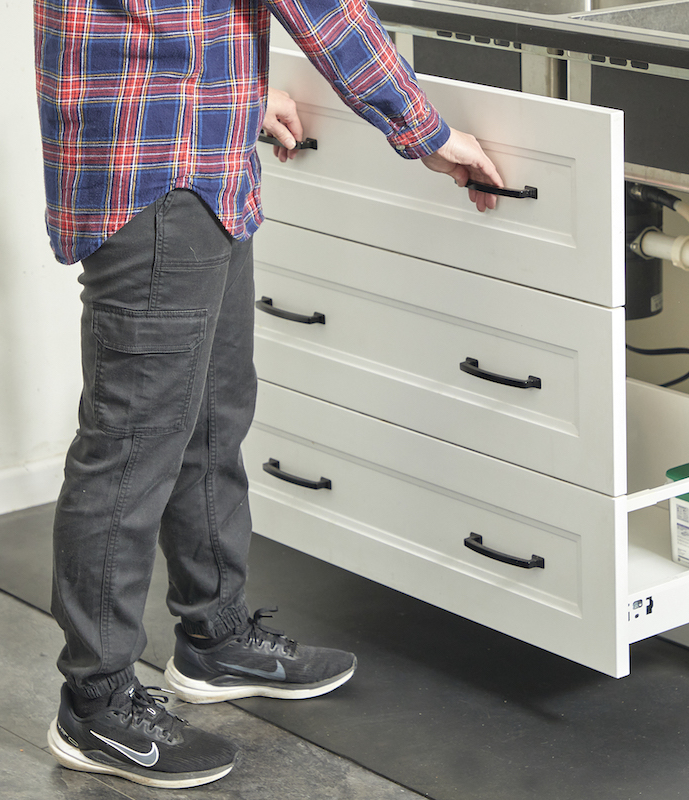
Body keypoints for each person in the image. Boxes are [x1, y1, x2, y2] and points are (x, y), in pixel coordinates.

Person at [33, 0, 504, 789]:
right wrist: (428, 132)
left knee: (213, 417)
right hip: (162, 172)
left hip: (189, 152)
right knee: (130, 451)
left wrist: (241, 99)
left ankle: (215, 639)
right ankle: (96, 704)